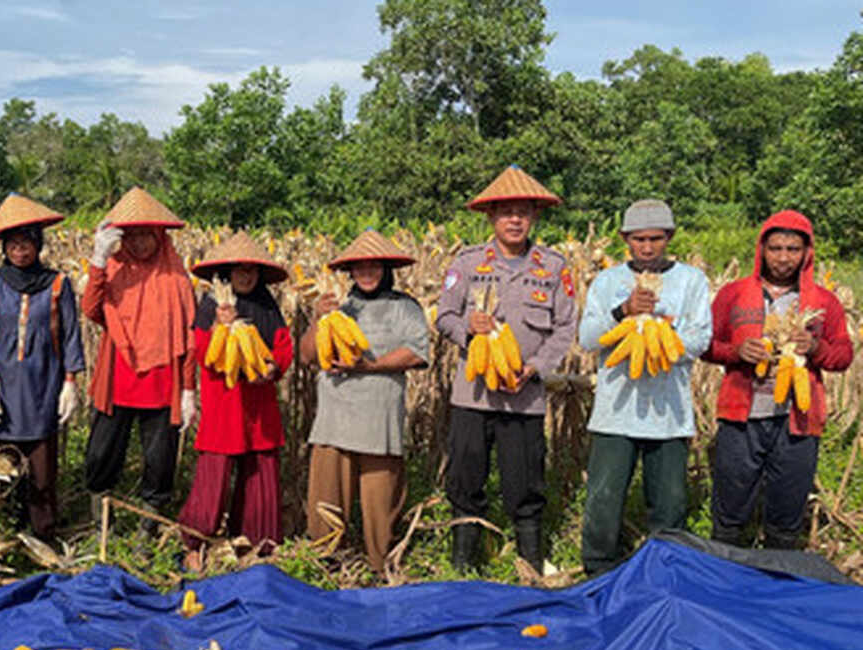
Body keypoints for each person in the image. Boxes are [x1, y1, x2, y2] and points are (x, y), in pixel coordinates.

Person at [436, 165, 576, 574]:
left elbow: (565, 326)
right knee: (465, 477)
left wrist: (534, 368)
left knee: (525, 480)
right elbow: (444, 315)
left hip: (525, 395)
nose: (514, 219)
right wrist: (467, 328)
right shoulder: (467, 262)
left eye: (523, 212)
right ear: (490, 218)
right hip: (473, 394)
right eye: (505, 212)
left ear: (534, 217)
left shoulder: (553, 267)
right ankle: (463, 562)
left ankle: (529, 560)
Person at [703, 210, 852, 549]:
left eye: (793, 249)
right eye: (776, 248)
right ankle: (726, 578)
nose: (784, 258)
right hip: (742, 416)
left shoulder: (824, 302)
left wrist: (815, 347)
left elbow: (843, 356)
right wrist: (736, 352)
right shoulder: (734, 294)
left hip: (798, 420)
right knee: (730, 508)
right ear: (762, 250)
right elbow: (707, 346)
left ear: (807, 253)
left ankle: (776, 583)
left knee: (787, 511)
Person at [578, 199, 712, 575]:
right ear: (625, 239)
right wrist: (623, 313)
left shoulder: (691, 281)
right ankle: (599, 569)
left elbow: (700, 339)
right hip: (614, 411)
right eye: (639, 239)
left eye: (656, 238)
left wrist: (658, 331)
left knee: (669, 501)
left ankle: (666, 569)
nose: (648, 247)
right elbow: (588, 339)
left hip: (669, 412)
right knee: (603, 500)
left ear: (669, 237)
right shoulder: (607, 282)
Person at [301, 230, 428, 573]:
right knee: (326, 500)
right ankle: (325, 565)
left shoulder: (405, 307)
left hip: (379, 418)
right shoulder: (336, 306)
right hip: (334, 417)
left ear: (386, 269)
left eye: (374, 266)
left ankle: (379, 565)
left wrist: (369, 366)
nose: (367, 272)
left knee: (380, 506)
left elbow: (416, 353)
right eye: (360, 267)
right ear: (350, 271)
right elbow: (307, 355)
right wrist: (317, 318)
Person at [81, 187, 198, 535]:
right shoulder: (113, 269)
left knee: (159, 459)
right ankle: (100, 524)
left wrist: (188, 390)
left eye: (148, 235)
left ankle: (149, 528)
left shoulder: (175, 276)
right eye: (133, 236)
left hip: (162, 384)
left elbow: (189, 337)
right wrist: (98, 261)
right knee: (101, 453)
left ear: (159, 236)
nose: (142, 243)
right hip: (118, 379)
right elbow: (90, 309)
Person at [177, 233, 293, 569]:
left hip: (260, 403)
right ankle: (195, 543)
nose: (246, 276)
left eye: (251, 271)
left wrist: (271, 369)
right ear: (227, 273)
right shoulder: (211, 306)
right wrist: (219, 326)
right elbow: (202, 352)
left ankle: (259, 544)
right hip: (224, 403)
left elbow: (283, 349)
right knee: (213, 475)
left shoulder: (268, 307)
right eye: (239, 271)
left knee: (260, 473)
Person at [0, 194, 85, 540]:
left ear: (38, 245)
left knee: (41, 472)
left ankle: (43, 535)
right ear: (5, 247)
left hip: (42, 388)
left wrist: (70, 383)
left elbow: (69, 335)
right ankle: (5, 534)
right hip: (2, 389)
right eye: (14, 244)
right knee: (2, 470)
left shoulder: (57, 284)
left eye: (28, 243)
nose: (21, 251)